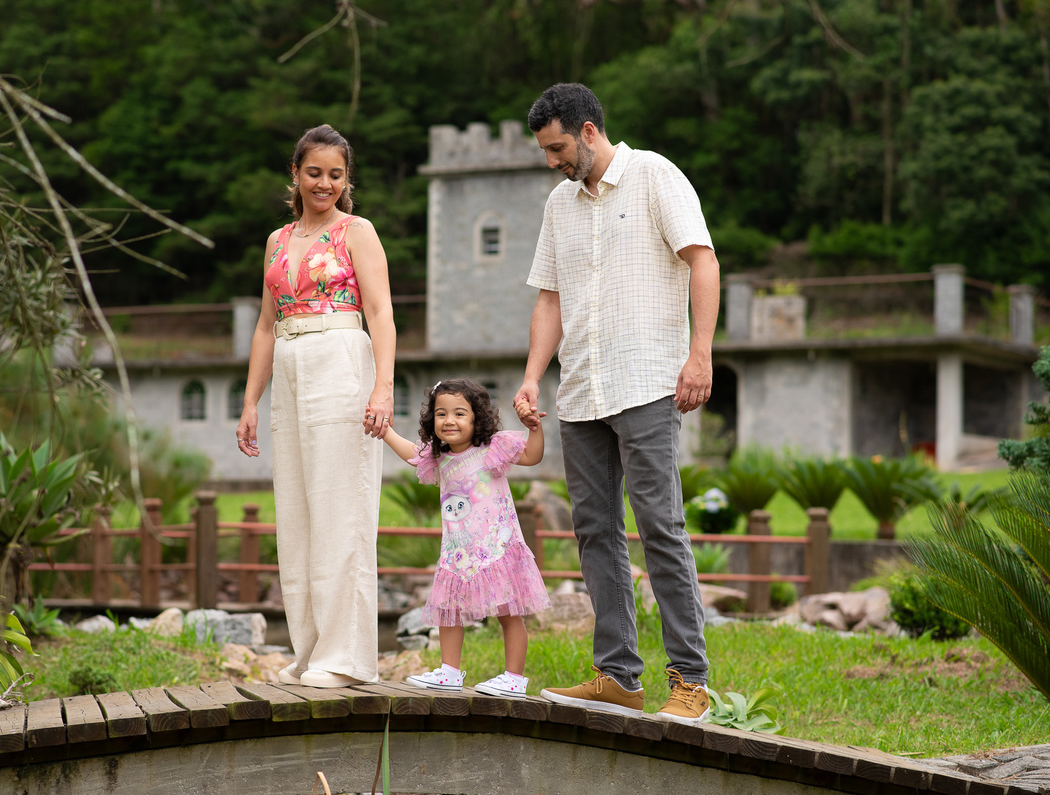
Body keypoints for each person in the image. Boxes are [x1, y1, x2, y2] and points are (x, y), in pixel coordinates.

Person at [513, 83, 720, 724]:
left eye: (557, 148)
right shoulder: (559, 204)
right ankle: (617, 677)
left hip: (647, 383)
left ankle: (690, 682)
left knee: (661, 526)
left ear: (588, 131)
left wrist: (701, 354)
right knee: (595, 532)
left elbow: (703, 261)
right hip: (580, 393)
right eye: (545, 151)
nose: (552, 161)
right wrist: (532, 377)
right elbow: (550, 298)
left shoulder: (655, 175)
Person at [236, 124, 395, 689]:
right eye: (314, 173)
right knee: (298, 512)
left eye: (335, 174)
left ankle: (345, 658)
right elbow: (264, 324)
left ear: (346, 179)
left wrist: (383, 387)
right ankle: (308, 651)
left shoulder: (357, 231)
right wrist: (250, 400)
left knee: (339, 508)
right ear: (295, 174)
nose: (324, 183)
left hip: (340, 359)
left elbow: (381, 312)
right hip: (289, 365)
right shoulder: (277, 240)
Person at [380, 378, 551, 698]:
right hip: (458, 553)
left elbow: (532, 456)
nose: (449, 420)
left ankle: (514, 679)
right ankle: (449, 672)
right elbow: (411, 453)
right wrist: (385, 430)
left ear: (477, 418)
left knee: (508, 613)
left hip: (497, 548)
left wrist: (534, 429)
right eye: (441, 413)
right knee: (448, 609)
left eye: (459, 413)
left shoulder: (492, 448)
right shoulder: (438, 456)